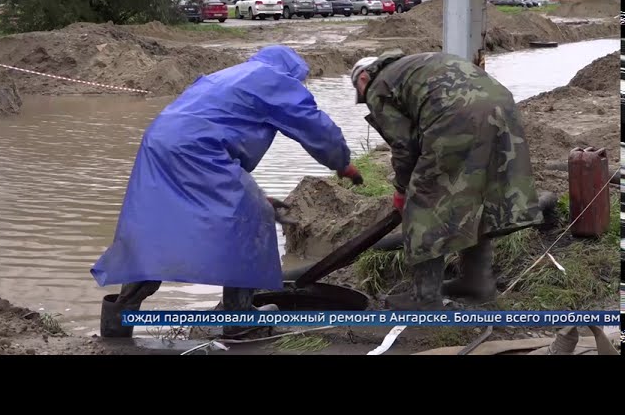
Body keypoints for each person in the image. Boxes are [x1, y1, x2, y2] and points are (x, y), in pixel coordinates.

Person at [92, 45, 363, 337]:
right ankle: (240, 317)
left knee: (157, 227)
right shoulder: (274, 80)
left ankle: (119, 316)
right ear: (292, 72)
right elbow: (314, 126)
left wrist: (253, 196)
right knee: (251, 220)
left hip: (159, 144)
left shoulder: (229, 76)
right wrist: (342, 163)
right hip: (199, 151)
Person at [350, 49, 543, 311]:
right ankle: (477, 283)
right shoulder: (416, 64)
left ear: (362, 79)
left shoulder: (377, 84)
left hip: (457, 116)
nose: (366, 101)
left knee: (425, 204)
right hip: (502, 106)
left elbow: (404, 146)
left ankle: (424, 298)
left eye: (362, 98)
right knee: (478, 194)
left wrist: (402, 190)